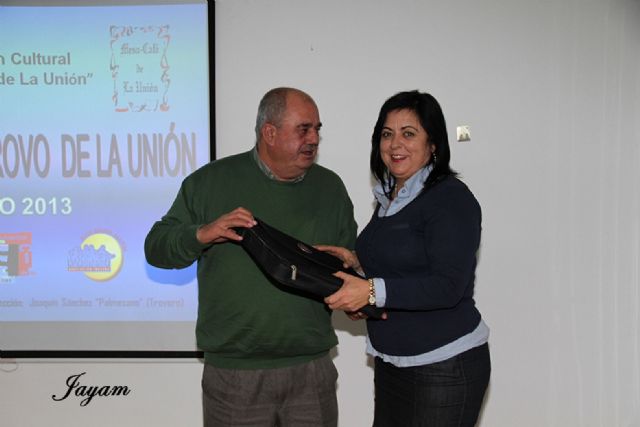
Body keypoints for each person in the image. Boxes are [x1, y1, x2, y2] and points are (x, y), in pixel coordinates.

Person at [144, 87, 357, 427]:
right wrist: (201, 234)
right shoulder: (210, 182)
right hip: (234, 376)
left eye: (317, 129)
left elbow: (352, 266)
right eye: (303, 129)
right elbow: (155, 248)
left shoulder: (331, 188)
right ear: (269, 133)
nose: (314, 139)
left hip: (311, 371)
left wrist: (355, 268)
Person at [317, 90, 491, 426]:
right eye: (387, 134)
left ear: (433, 143)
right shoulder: (391, 197)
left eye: (408, 133)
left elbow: (447, 286)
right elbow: (406, 262)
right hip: (392, 363)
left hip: (444, 367)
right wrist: (357, 263)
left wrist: (370, 291)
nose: (395, 144)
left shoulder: (450, 198)